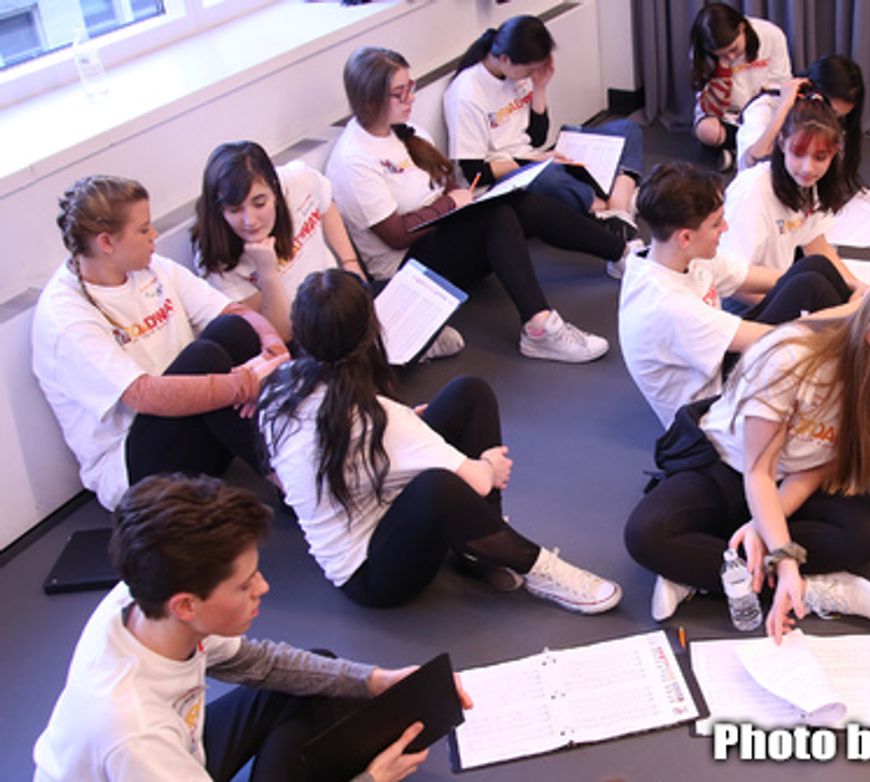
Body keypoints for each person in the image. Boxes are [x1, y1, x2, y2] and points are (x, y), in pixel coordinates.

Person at [33, 474, 463, 781]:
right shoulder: (134, 732)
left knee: (321, 678)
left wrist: (374, 681)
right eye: (244, 585)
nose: (264, 587)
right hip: (155, 758)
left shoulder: (148, 600)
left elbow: (259, 663)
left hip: (183, 747)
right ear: (186, 605)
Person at [260, 269, 622, 612]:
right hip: (371, 576)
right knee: (439, 486)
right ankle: (538, 567)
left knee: (468, 394)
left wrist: (409, 431)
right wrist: (490, 466)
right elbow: (479, 481)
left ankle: (481, 548)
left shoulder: (279, 388)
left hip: (376, 499)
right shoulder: (381, 422)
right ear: (370, 331)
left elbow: (345, 449)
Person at [625, 273, 870, 640]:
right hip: (729, 467)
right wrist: (784, 562)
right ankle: (801, 587)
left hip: (792, 481)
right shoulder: (791, 360)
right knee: (647, 534)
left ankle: (711, 571)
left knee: (866, 534)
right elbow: (758, 472)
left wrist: (764, 526)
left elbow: (817, 467)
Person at [324, 46, 613, 363]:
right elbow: (395, 235)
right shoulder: (353, 159)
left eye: (411, 87)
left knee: (516, 201)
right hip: (404, 269)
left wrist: (458, 200)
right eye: (399, 93)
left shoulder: (410, 131)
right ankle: (539, 328)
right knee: (495, 217)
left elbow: (444, 178)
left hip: (440, 237)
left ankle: (621, 252)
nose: (411, 98)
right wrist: (451, 204)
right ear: (370, 101)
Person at [32, 175, 289, 512]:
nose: (154, 236)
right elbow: (144, 395)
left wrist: (272, 343)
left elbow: (233, 311)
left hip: (192, 429)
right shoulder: (65, 316)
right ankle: (289, 481)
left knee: (234, 331)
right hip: (137, 474)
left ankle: (294, 459)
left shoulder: (150, 266)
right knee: (205, 357)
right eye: (143, 230)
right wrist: (241, 385)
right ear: (107, 243)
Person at [619, 161, 859, 427]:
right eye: (716, 224)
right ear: (685, 237)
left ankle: (864, 355)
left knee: (812, 270)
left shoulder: (680, 256)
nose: (725, 228)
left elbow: (767, 277)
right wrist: (857, 310)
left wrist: (857, 289)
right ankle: (859, 386)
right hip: (711, 406)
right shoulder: (667, 305)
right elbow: (781, 338)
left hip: (715, 363)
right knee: (819, 308)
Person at [443, 15, 644, 235]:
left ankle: (615, 210)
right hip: (503, 177)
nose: (531, 76)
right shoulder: (467, 94)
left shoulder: (515, 74)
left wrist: (540, 88)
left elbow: (536, 139)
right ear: (505, 59)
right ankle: (620, 203)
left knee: (627, 130)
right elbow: (475, 174)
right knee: (550, 180)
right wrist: (531, 161)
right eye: (529, 71)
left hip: (534, 158)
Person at [192, 140, 372, 344]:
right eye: (234, 210)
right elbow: (280, 334)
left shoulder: (297, 180)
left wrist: (350, 262)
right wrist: (267, 272)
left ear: (275, 192)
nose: (250, 221)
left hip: (337, 300)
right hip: (301, 338)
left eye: (259, 204)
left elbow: (325, 204)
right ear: (219, 210)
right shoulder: (214, 258)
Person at [718, 96, 864, 292]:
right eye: (798, 154)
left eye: (820, 157)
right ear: (782, 143)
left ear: (834, 153)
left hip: (779, 289)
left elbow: (815, 243)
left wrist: (858, 287)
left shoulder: (811, 186)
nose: (808, 168)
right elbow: (728, 279)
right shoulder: (753, 191)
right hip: (746, 300)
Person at [689, 3, 792, 169]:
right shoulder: (702, 52)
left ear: (742, 28)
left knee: (781, 125)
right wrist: (721, 72)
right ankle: (750, 149)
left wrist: (754, 111)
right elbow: (708, 105)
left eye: (734, 49)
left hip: (763, 106)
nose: (730, 57)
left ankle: (736, 151)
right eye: (721, 54)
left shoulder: (772, 34)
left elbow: (780, 83)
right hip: (728, 113)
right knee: (706, 131)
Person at [735, 54, 864, 175]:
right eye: (832, 113)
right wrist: (784, 106)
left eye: (840, 117)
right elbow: (752, 162)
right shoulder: (765, 106)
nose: (833, 122)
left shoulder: (834, 121)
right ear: (813, 95)